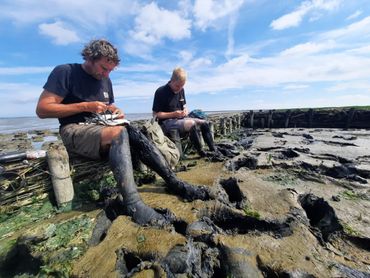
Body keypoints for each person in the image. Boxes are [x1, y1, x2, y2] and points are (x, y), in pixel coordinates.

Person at [36, 39, 209, 225]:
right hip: (74, 129)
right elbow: (43, 109)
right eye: (103, 68)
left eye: (110, 70)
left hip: (102, 126)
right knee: (118, 133)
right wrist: (85, 106)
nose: (106, 74)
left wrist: (115, 110)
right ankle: (132, 203)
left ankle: (173, 181)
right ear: (90, 58)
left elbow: (108, 106)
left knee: (132, 131)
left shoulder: (106, 80)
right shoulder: (66, 72)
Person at [152, 67, 218, 158]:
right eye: (177, 86)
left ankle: (213, 149)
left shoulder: (181, 90)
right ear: (172, 80)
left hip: (181, 119)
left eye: (182, 86)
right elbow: (155, 115)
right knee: (191, 123)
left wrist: (185, 110)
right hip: (165, 123)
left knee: (204, 123)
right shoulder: (161, 91)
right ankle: (201, 152)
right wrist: (174, 114)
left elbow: (184, 105)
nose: (179, 89)